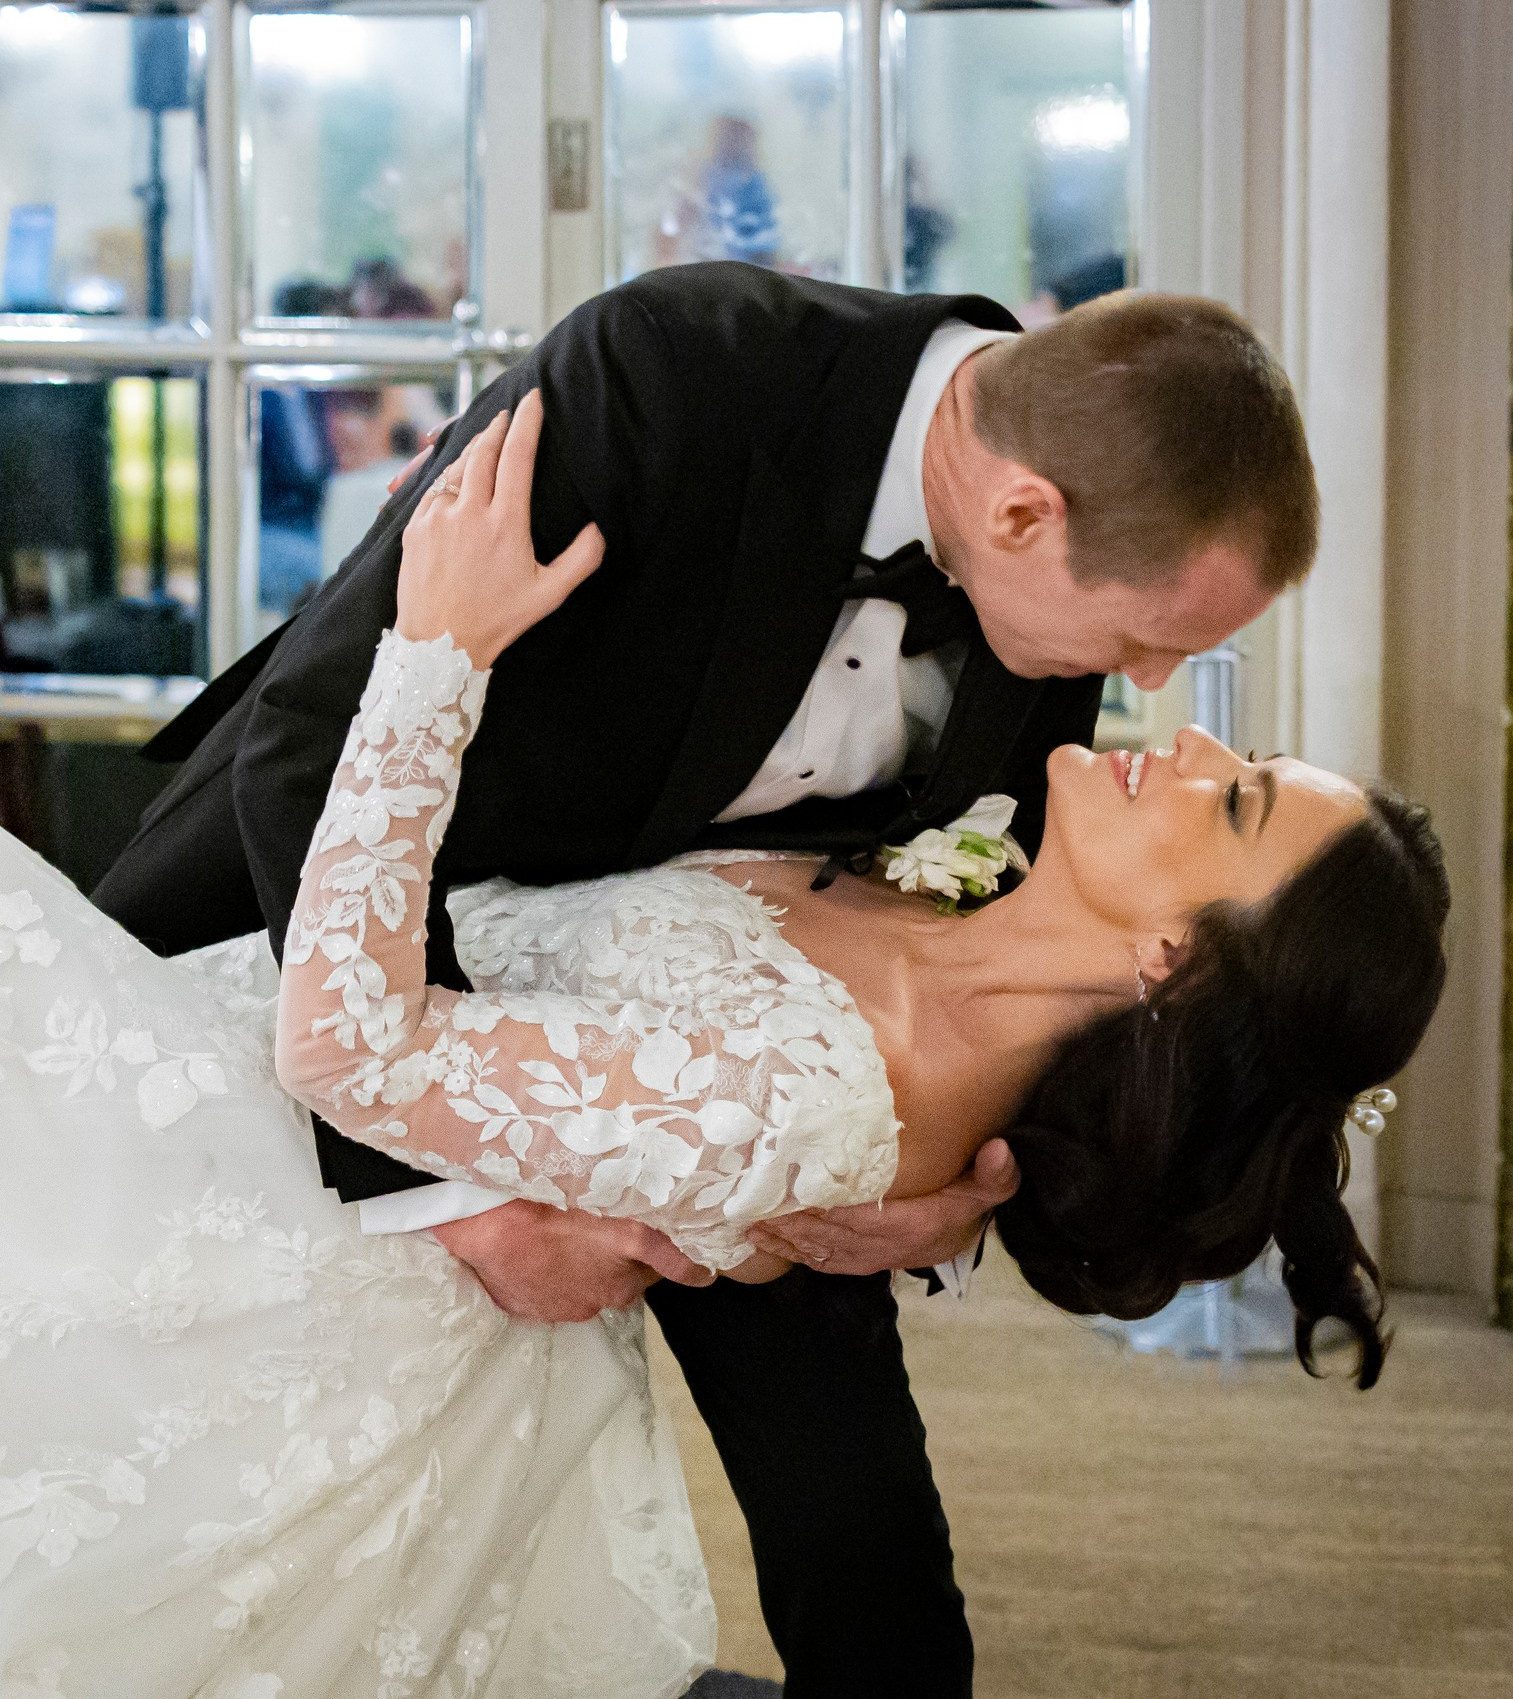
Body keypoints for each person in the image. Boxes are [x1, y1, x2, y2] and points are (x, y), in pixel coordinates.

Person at [0, 396, 1443, 1697]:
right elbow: (736, 1103)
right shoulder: (949, 893)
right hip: (293, 1112)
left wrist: (431, 659)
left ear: (1175, 970)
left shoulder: (833, 1082)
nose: (1172, 735)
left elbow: (357, 1043)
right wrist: (815, 1213)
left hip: (301, 1208)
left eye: (1229, 800)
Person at [95, 260, 1326, 1694]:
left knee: (866, 1547)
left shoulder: (1062, 529)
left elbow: (987, 914)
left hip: (720, 1070)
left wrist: (950, 1188)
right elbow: (316, 733)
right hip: (325, 950)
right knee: (215, 1466)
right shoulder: (673, 371)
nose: (1148, 689)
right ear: (1017, 513)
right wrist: (459, 1193)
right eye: (1143, 643)